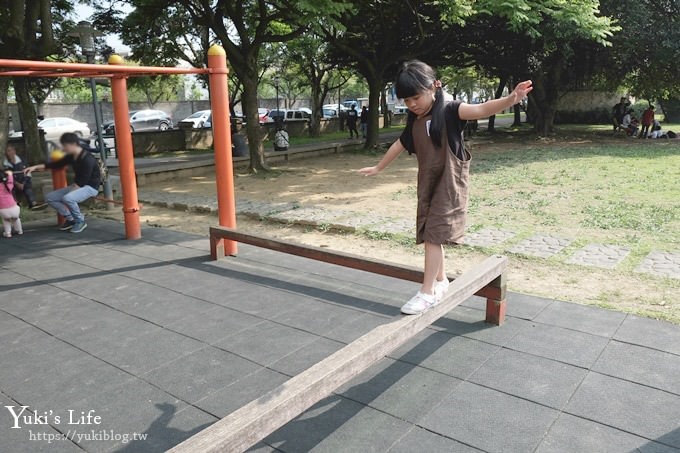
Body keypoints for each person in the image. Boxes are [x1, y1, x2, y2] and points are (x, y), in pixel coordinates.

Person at [359, 60, 532, 315]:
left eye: (415, 97)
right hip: (428, 185)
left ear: (433, 86)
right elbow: (400, 144)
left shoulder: (450, 111)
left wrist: (510, 99)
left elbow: (481, 109)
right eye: (406, 101)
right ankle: (440, 281)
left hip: (449, 185)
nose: (412, 104)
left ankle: (427, 293)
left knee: (433, 236)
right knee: (431, 233)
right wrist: (379, 168)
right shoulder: (415, 121)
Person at [24, 132, 101, 233]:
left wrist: (69, 194)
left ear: (73, 144)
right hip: (78, 185)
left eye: (65, 146)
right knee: (50, 197)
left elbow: (82, 182)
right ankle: (71, 219)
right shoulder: (72, 156)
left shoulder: (88, 159)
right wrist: (35, 167)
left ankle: (80, 221)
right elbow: (55, 164)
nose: (63, 148)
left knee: (68, 198)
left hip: (90, 187)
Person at [3, 144, 39, 209]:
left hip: (23, 181)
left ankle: (33, 203)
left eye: (10, 151)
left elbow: (28, 173)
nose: (9, 153)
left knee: (28, 188)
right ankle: (15, 205)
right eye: (7, 152)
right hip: (13, 182)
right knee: (9, 189)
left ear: (14, 151)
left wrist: (23, 183)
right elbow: (7, 177)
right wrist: (16, 183)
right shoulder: (5, 164)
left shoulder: (22, 160)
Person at [0, 167, 22, 238]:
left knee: (6, 220)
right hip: (14, 208)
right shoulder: (7, 186)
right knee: (16, 218)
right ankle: (19, 230)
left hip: (3, 210)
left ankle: (8, 233)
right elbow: (10, 182)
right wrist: (10, 175)